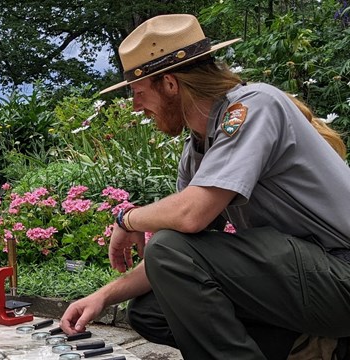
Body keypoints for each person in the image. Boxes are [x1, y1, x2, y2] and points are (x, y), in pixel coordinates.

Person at [59, 14, 350, 360]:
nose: (135, 106)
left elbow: (190, 218)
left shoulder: (255, 106)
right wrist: (103, 296)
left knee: (166, 250)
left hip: (340, 274)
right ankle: (313, 346)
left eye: (138, 92)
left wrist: (127, 219)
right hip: (309, 282)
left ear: (170, 84)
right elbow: (179, 256)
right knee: (151, 310)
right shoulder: (198, 148)